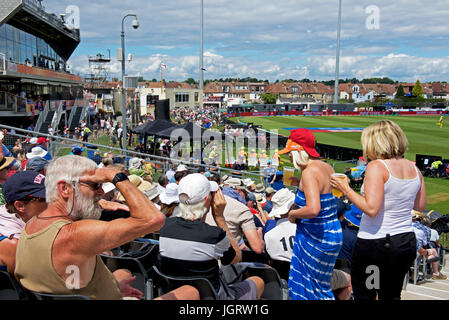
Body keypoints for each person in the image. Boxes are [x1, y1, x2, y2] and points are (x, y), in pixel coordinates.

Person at [14, 155, 167, 299]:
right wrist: (115, 176)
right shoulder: (75, 234)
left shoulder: (30, 225)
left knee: (123, 273)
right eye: (95, 185)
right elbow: (153, 218)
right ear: (65, 188)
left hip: (67, 292)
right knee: (189, 291)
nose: (101, 191)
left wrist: (113, 289)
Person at [331, 120, 426, 300]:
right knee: (391, 294)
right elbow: (420, 207)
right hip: (404, 241)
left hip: (377, 244)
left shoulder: (377, 166)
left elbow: (371, 209)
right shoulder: (413, 168)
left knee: (367, 293)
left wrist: (346, 189)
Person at [158, 173, 265, 300]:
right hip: (213, 296)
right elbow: (236, 257)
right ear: (206, 199)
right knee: (258, 282)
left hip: (176, 293)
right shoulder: (214, 235)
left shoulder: (165, 227)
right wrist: (219, 217)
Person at [278, 128, 342, 300]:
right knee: (319, 286)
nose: (290, 157)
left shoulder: (309, 172)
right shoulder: (326, 167)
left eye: (290, 153)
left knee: (309, 289)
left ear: (299, 152)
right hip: (331, 233)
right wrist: (301, 184)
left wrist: (293, 215)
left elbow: (314, 209)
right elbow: (325, 194)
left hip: (315, 237)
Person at [0, 171, 48, 273]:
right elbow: (30, 285)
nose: (52, 200)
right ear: (20, 206)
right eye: (45, 197)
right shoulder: (13, 243)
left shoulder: (6, 212)